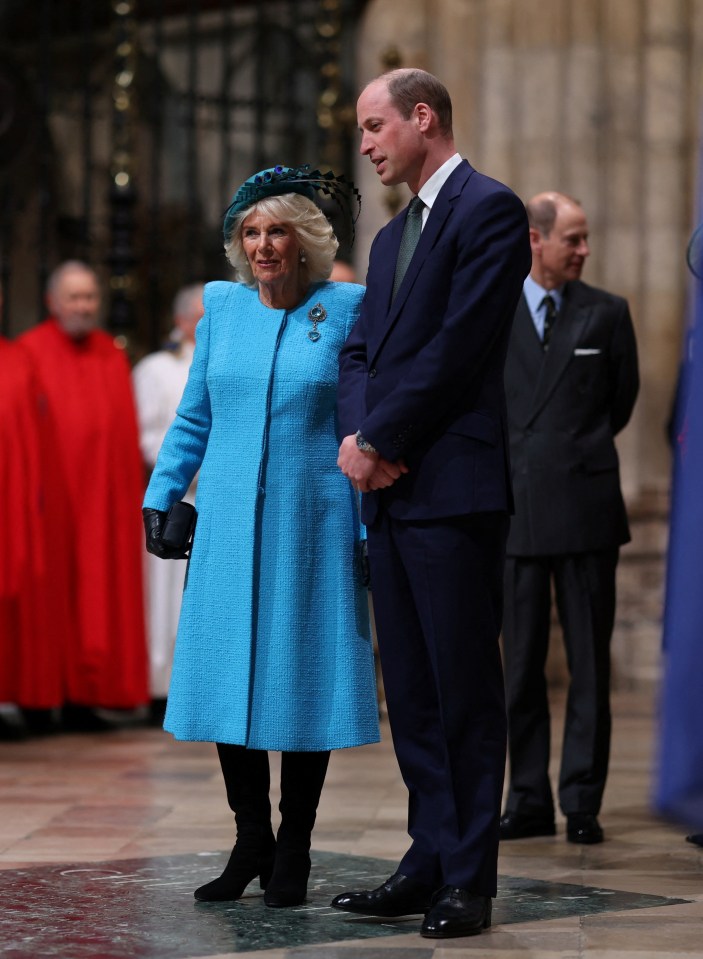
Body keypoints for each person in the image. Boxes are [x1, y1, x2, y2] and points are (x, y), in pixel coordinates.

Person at [142, 165, 379, 908]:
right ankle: (251, 839)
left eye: (277, 230)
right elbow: (194, 416)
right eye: (251, 231)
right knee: (227, 676)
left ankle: (296, 846)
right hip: (229, 520)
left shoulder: (346, 308)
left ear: (303, 240)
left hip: (313, 520)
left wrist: (369, 527)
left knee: (299, 677)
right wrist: (163, 497)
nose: (264, 245)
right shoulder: (221, 310)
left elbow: (362, 426)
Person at [333, 69, 531, 939]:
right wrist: (357, 441)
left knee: (462, 689)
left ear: (423, 118)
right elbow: (357, 353)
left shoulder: (488, 210)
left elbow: (457, 348)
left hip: (450, 487)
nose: (368, 144)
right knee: (409, 691)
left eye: (375, 126)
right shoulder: (386, 239)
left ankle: (468, 877)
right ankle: (425, 855)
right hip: (388, 487)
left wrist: (380, 440)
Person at [498, 192, 639, 845]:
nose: (583, 250)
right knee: (519, 664)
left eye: (584, 240)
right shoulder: (494, 310)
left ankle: (580, 799)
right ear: (535, 239)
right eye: (572, 239)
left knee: (588, 661)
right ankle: (525, 798)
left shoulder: (606, 313)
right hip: (514, 509)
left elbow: (620, 401)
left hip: (585, 507)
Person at [19, 261, 149, 729]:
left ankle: (86, 695)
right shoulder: (29, 353)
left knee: (97, 596)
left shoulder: (111, 357)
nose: (83, 306)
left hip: (100, 502)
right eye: (73, 297)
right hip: (49, 503)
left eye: (89, 297)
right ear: (52, 302)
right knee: (49, 599)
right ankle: (42, 697)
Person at [133, 283, 204, 721]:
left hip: (216, 496)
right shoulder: (155, 369)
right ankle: (162, 687)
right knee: (165, 599)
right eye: (197, 316)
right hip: (177, 497)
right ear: (180, 321)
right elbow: (145, 432)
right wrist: (185, 468)